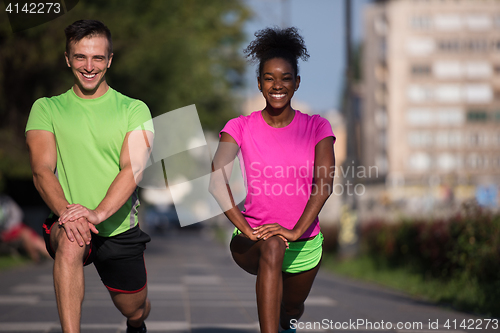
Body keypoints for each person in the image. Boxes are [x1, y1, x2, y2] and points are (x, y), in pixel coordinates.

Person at [25, 20, 153, 333]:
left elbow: (132, 169)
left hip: (117, 225)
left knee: (134, 308)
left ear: (109, 60)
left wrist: (97, 213)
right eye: (80, 57)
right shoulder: (47, 108)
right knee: (70, 240)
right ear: (68, 59)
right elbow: (41, 169)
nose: (89, 66)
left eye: (97, 58)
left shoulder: (134, 109)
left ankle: (137, 323)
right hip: (68, 217)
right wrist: (69, 212)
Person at [210, 27, 335, 333]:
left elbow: (325, 184)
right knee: (273, 246)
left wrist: (295, 231)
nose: (277, 85)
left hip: (304, 241)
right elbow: (217, 179)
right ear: (259, 83)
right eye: (269, 78)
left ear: (297, 82)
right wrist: (245, 227)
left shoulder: (318, 126)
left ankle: (285, 322)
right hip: (252, 241)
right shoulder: (239, 126)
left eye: (286, 78)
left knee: (291, 309)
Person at [0, 195, 51, 262]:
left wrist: (12, 226)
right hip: (4, 232)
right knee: (27, 234)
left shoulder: (5, 200)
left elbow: (18, 213)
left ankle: (37, 257)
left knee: (28, 236)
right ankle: (45, 255)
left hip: (15, 228)